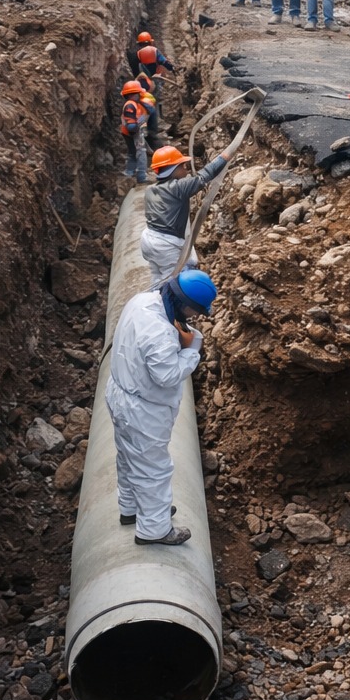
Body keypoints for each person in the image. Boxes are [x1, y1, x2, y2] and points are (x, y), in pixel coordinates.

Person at [107, 269, 217, 546]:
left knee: (127, 457)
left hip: (120, 393)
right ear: (185, 304)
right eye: (195, 312)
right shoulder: (160, 334)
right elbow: (167, 376)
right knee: (153, 470)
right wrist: (192, 351)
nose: (194, 317)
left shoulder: (142, 301)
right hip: (143, 410)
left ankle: (131, 509)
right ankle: (154, 529)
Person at [140, 145, 231, 282]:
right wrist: (223, 158)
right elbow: (204, 176)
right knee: (175, 281)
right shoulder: (178, 187)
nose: (186, 169)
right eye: (182, 166)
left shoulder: (150, 189)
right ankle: (174, 302)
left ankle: (157, 300)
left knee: (158, 279)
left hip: (148, 239)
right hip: (164, 245)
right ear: (173, 169)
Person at [119, 82, 152, 183]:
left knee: (132, 152)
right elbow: (131, 125)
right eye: (138, 93)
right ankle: (142, 175)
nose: (139, 96)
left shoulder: (134, 104)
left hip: (129, 132)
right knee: (140, 152)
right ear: (133, 94)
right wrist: (139, 123)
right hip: (133, 132)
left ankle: (129, 172)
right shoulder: (130, 105)